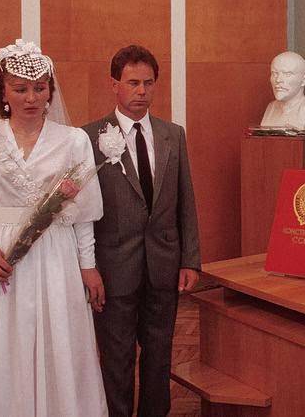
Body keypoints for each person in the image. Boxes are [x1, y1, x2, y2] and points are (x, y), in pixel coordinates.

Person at [0, 39, 108, 416]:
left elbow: (82, 213)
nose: (31, 97)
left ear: (51, 90)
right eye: (20, 89)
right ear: (3, 93)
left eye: (39, 87)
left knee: (57, 341)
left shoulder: (74, 140)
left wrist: (88, 264)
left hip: (56, 257)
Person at [83, 44, 200, 417]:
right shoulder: (88, 138)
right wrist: (88, 268)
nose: (141, 92)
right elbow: (82, 213)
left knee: (159, 355)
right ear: (113, 84)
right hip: (114, 269)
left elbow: (186, 201)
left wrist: (190, 260)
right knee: (116, 360)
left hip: (164, 266)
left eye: (148, 83)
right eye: (132, 83)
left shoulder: (172, 135)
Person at [260, 50, 305, 130]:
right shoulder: (271, 108)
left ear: (304, 80)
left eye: (287, 74)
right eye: (275, 73)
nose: (278, 80)